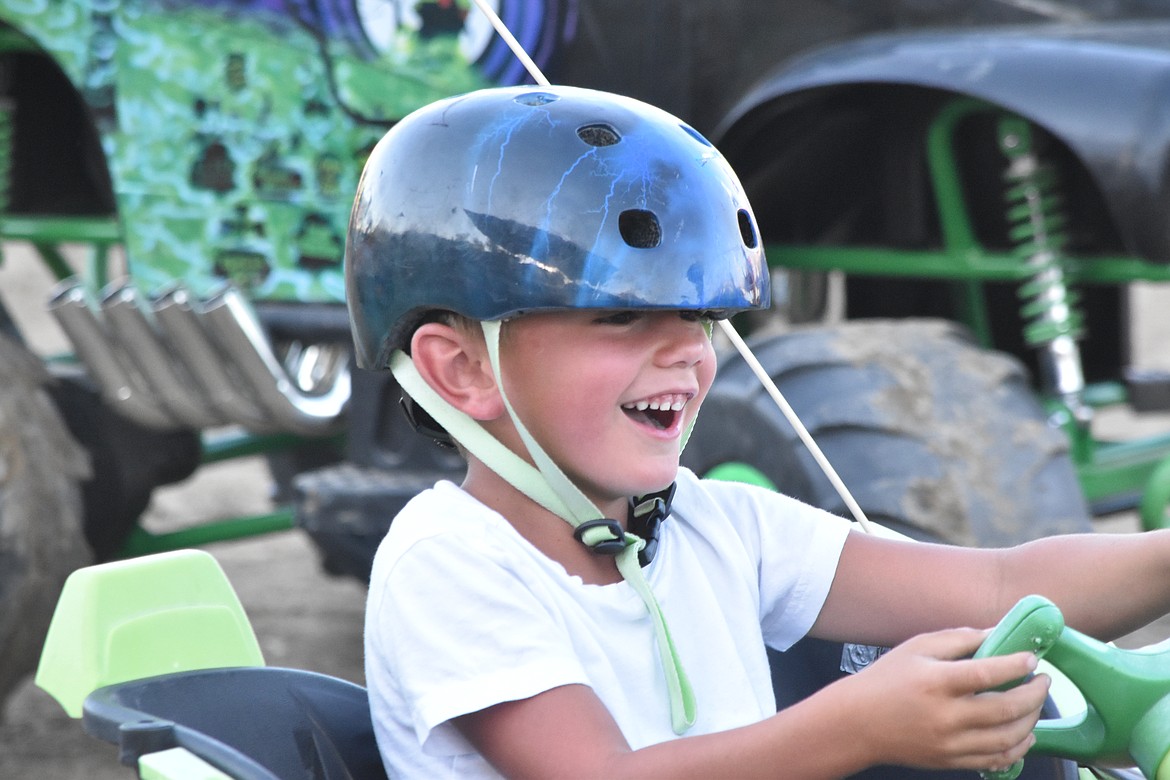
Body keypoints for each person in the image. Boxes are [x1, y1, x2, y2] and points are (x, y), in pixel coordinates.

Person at [346, 84, 1170, 779]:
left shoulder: (716, 528)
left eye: (702, 317)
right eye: (623, 315)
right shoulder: (450, 564)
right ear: (464, 369)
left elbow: (997, 587)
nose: (686, 352)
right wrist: (859, 726)